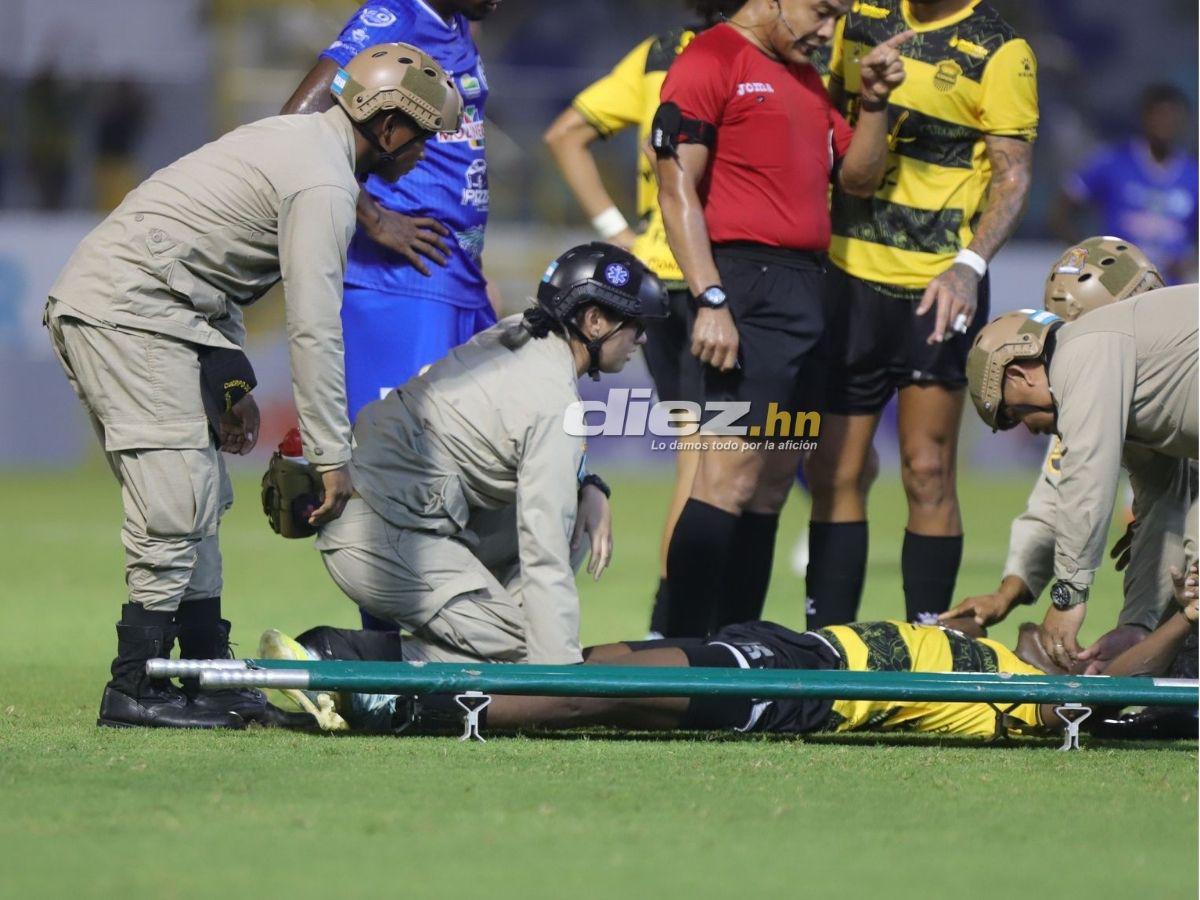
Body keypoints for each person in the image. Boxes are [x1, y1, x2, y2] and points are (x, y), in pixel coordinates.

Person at [44, 43, 462, 729]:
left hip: (154, 310)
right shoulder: (325, 183)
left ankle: (206, 670)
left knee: (200, 497)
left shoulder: (301, 144)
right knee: (176, 501)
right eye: (422, 135)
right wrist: (331, 455)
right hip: (127, 314)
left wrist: (228, 381)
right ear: (388, 127)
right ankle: (134, 690)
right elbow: (314, 328)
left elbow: (207, 260)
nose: (424, 153)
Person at [257, 564, 1199, 739]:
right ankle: (373, 660)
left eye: (1100, 652)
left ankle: (393, 698)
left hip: (806, 688)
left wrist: (1179, 626)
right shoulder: (990, 656)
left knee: (598, 694)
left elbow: (1122, 687)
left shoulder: (1034, 704)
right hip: (793, 644)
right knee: (598, 661)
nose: (1082, 641)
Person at [654, 0, 911, 638]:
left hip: (808, 288)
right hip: (745, 286)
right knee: (725, 480)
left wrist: (873, 103)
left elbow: (857, 178)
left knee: (770, 484)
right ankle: (681, 657)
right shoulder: (711, 58)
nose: (831, 31)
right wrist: (710, 298)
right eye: (823, 13)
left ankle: (736, 649)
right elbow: (675, 186)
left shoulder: (804, 74)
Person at [312, 243, 667, 667]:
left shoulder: (521, 334)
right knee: (527, 645)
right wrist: (561, 678)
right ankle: (337, 657)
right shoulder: (552, 401)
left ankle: (476, 642)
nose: (642, 338)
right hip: (381, 538)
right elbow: (544, 550)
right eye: (635, 323)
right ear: (593, 322)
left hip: (399, 518)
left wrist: (588, 484)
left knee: (567, 523)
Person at [802, 0, 1038, 631]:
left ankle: (929, 640)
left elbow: (1013, 180)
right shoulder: (859, 18)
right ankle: (827, 645)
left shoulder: (1001, 49)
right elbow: (824, 115)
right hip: (849, 276)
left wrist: (969, 265)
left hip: (940, 289)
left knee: (927, 468)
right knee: (834, 466)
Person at [543, 0, 742, 638]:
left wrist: (620, 230)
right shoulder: (746, 58)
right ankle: (676, 629)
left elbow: (565, 132)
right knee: (706, 460)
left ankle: (680, 625)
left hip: (672, 269)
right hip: (714, 279)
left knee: (714, 456)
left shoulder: (660, 52)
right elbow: (564, 134)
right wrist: (615, 231)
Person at [944, 237, 1195, 677]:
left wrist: (1068, 596)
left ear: (1020, 372)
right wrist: (1137, 625)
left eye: (1013, 413)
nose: (1028, 428)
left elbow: (1086, 479)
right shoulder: (1134, 390)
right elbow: (1164, 505)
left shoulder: (1084, 354)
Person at [282, 1, 503, 425]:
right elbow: (298, 122)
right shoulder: (393, 18)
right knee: (397, 458)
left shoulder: (453, 25)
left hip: (452, 272)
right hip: (399, 280)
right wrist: (374, 217)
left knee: (472, 456)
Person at [1052, 84, 1198, 285]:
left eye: (1172, 117)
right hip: (1117, 289)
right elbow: (1061, 211)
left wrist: (1191, 261)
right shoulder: (1112, 162)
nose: (1166, 124)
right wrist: (1088, 256)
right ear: (1145, 117)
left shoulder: (1193, 173)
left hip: (1170, 290)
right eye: (1160, 116)